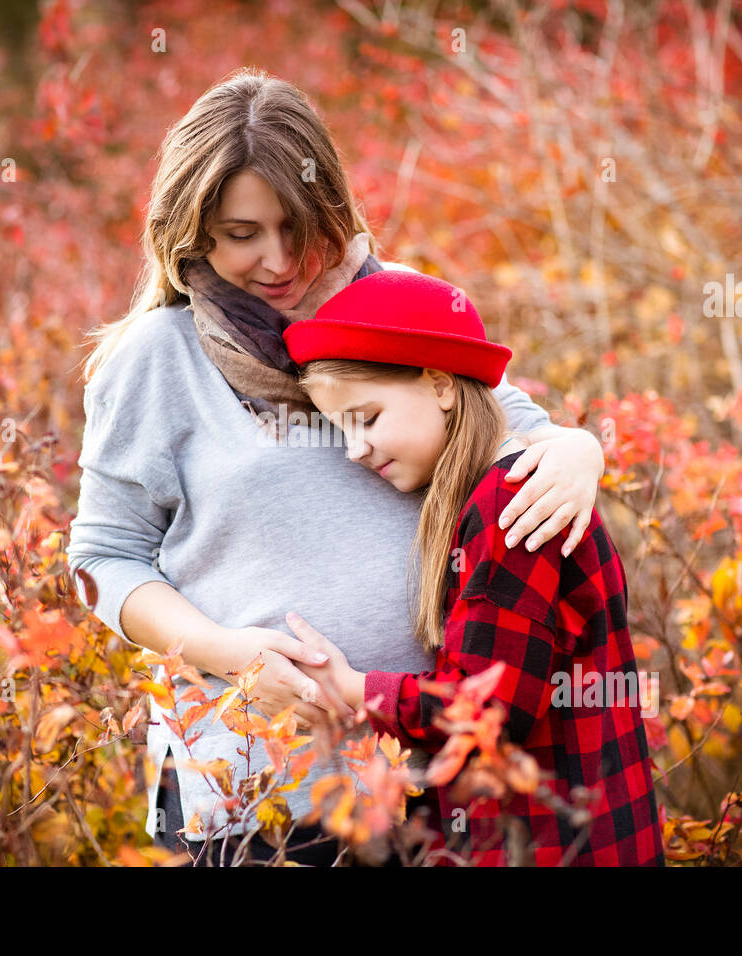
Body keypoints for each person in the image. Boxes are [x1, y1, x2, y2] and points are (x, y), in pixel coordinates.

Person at [68, 68, 608, 865]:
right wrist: (226, 650)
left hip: (430, 783)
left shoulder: (404, 309)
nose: (280, 260)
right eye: (242, 233)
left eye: (296, 224)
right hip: (247, 792)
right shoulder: (156, 359)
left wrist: (581, 448)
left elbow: (513, 430)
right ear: (194, 233)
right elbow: (103, 559)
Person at [281, 269, 665, 866]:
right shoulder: (491, 492)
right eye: (340, 430)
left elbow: (487, 709)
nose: (354, 450)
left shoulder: (509, 502)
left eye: (368, 417)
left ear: (438, 383)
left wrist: (352, 688)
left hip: (551, 844)